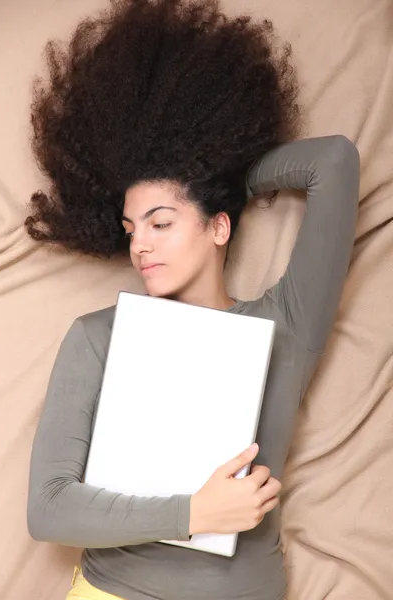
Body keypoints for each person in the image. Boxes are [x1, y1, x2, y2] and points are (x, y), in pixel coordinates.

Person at [25, 1, 360, 599]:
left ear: (218, 227)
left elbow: (332, 162)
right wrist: (194, 513)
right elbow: (49, 510)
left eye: (160, 222)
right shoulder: (98, 335)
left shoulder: (284, 327)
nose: (140, 246)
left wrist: (220, 175)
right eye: (130, 229)